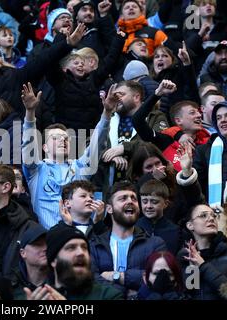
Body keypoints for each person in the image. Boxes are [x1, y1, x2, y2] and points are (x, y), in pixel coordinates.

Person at [21, 80, 114, 229]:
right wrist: (30, 113)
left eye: (65, 139)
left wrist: (107, 113)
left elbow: (97, 144)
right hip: (47, 238)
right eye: (55, 138)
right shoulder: (36, 170)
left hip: (79, 237)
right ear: (44, 147)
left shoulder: (79, 167)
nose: (62, 141)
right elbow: (27, 146)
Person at [90, 180, 167, 299]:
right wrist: (124, 293)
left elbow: (161, 278)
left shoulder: (155, 243)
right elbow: (91, 280)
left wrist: (117, 276)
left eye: (134, 198)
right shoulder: (95, 244)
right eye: (123, 198)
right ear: (109, 209)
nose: (130, 201)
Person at [25, 224, 123, 300]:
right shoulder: (39, 296)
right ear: (54, 261)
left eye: (84, 247)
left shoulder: (109, 295)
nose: (81, 253)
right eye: (71, 248)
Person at [178, 203, 227, 300]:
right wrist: (192, 270)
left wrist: (203, 266)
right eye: (203, 215)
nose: (211, 218)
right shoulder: (184, 256)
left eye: (213, 215)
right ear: (190, 225)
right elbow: (188, 293)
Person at [137, 179, 181, 254]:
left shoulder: (175, 231)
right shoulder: (134, 228)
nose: (149, 206)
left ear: (166, 204)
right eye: (144, 201)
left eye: (154, 202)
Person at [10, 224, 49, 299]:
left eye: (48, 244)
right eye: (38, 245)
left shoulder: (61, 281)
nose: (45, 248)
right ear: (23, 253)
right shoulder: (11, 285)